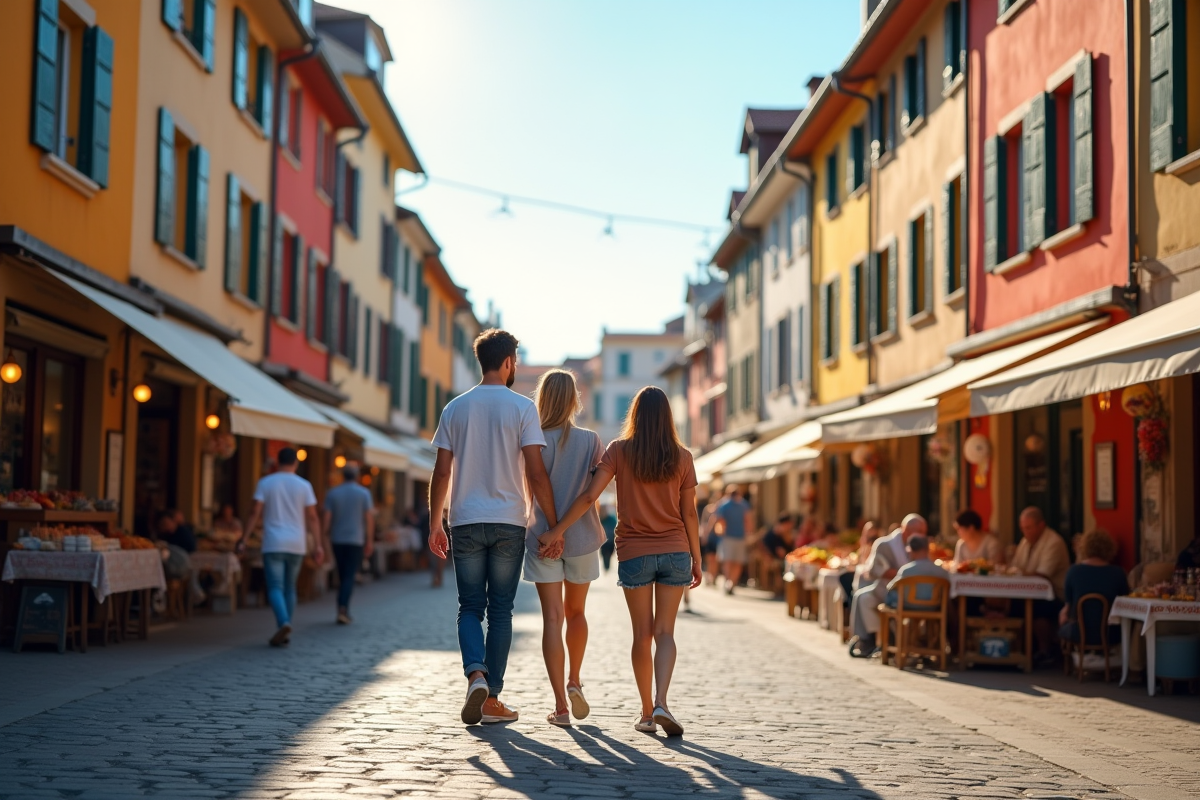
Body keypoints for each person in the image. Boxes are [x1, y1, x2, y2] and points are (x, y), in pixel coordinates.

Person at [542, 386, 702, 737]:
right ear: (668, 417)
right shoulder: (683, 456)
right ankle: (661, 701)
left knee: (642, 634)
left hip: (634, 553)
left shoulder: (618, 451)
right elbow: (689, 513)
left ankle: (647, 713)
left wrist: (557, 531)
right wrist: (697, 559)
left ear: (635, 415)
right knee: (666, 633)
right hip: (676, 550)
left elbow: (588, 496)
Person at [428, 328, 558, 727]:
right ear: (507, 363)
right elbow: (536, 473)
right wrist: (553, 524)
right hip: (509, 522)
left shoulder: (455, 408)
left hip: (465, 520)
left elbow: (442, 471)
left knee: (469, 607)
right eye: (515, 361)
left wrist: (436, 522)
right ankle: (492, 698)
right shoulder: (522, 408)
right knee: (501, 611)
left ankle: (476, 677)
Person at [522, 369, 606, 727]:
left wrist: (552, 532)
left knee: (552, 619)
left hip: (541, 537)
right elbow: (591, 496)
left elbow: (527, 485)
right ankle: (575, 679)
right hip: (583, 537)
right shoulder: (591, 441)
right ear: (574, 399)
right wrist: (565, 532)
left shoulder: (531, 439)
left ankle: (559, 706)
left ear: (542, 398)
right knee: (577, 613)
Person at [240, 447, 322, 648]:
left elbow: (254, 512)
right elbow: (312, 517)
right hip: (297, 543)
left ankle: (283, 623)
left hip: (273, 542)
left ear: (277, 462)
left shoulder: (266, 482)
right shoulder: (304, 485)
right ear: (296, 463)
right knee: (289, 587)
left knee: (275, 586)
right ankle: (286, 628)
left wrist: (244, 537)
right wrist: (318, 545)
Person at [847, 513, 927, 658]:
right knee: (862, 598)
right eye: (920, 532)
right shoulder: (885, 544)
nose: (923, 536)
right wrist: (906, 575)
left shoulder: (921, 546)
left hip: (914, 593)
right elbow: (878, 570)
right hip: (887, 590)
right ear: (906, 530)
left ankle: (893, 640)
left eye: (923, 532)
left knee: (864, 597)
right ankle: (868, 640)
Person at [1011, 506, 1070, 666]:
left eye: (1029, 528)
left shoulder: (1054, 542)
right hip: (1027, 592)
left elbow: (1043, 575)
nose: (1025, 532)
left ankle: (1046, 651)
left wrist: (1019, 573)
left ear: (1041, 525)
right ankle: (1017, 649)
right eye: (1023, 528)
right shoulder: (1025, 541)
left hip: (1055, 595)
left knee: (1038, 607)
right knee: (1011, 604)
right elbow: (1016, 567)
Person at [323, 463, 375, 625]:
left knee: (341, 573)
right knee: (349, 576)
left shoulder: (333, 493)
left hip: (337, 539)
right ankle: (343, 609)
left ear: (342, 475)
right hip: (355, 540)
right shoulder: (364, 493)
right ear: (357, 476)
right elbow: (369, 519)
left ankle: (342, 607)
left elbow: (326, 520)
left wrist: (324, 536)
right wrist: (369, 540)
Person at [1058, 529, 1129, 649]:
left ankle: (1074, 657)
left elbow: (1068, 607)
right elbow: (1125, 603)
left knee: (1063, 617)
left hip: (1079, 633)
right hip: (1110, 634)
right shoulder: (1118, 573)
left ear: (1085, 547)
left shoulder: (1074, 571)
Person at [886, 535, 950, 609]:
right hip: (933, 608)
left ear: (911, 550)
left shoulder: (905, 571)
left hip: (908, 607)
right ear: (927, 549)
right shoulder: (941, 571)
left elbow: (890, 587)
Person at [712, 485, 754, 594]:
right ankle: (731, 582)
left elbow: (719, 520)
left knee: (728, 561)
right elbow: (748, 520)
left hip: (728, 537)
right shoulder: (743, 504)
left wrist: (720, 532)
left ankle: (728, 581)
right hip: (739, 537)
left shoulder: (724, 504)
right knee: (737, 562)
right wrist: (748, 533)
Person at [599, 504, 617, 572]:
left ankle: (607, 568)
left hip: (610, 541)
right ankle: (606, 568)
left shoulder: (611, 518)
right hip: (604, 542)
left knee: (608, 555)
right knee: (605, 555)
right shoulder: (600, 519)